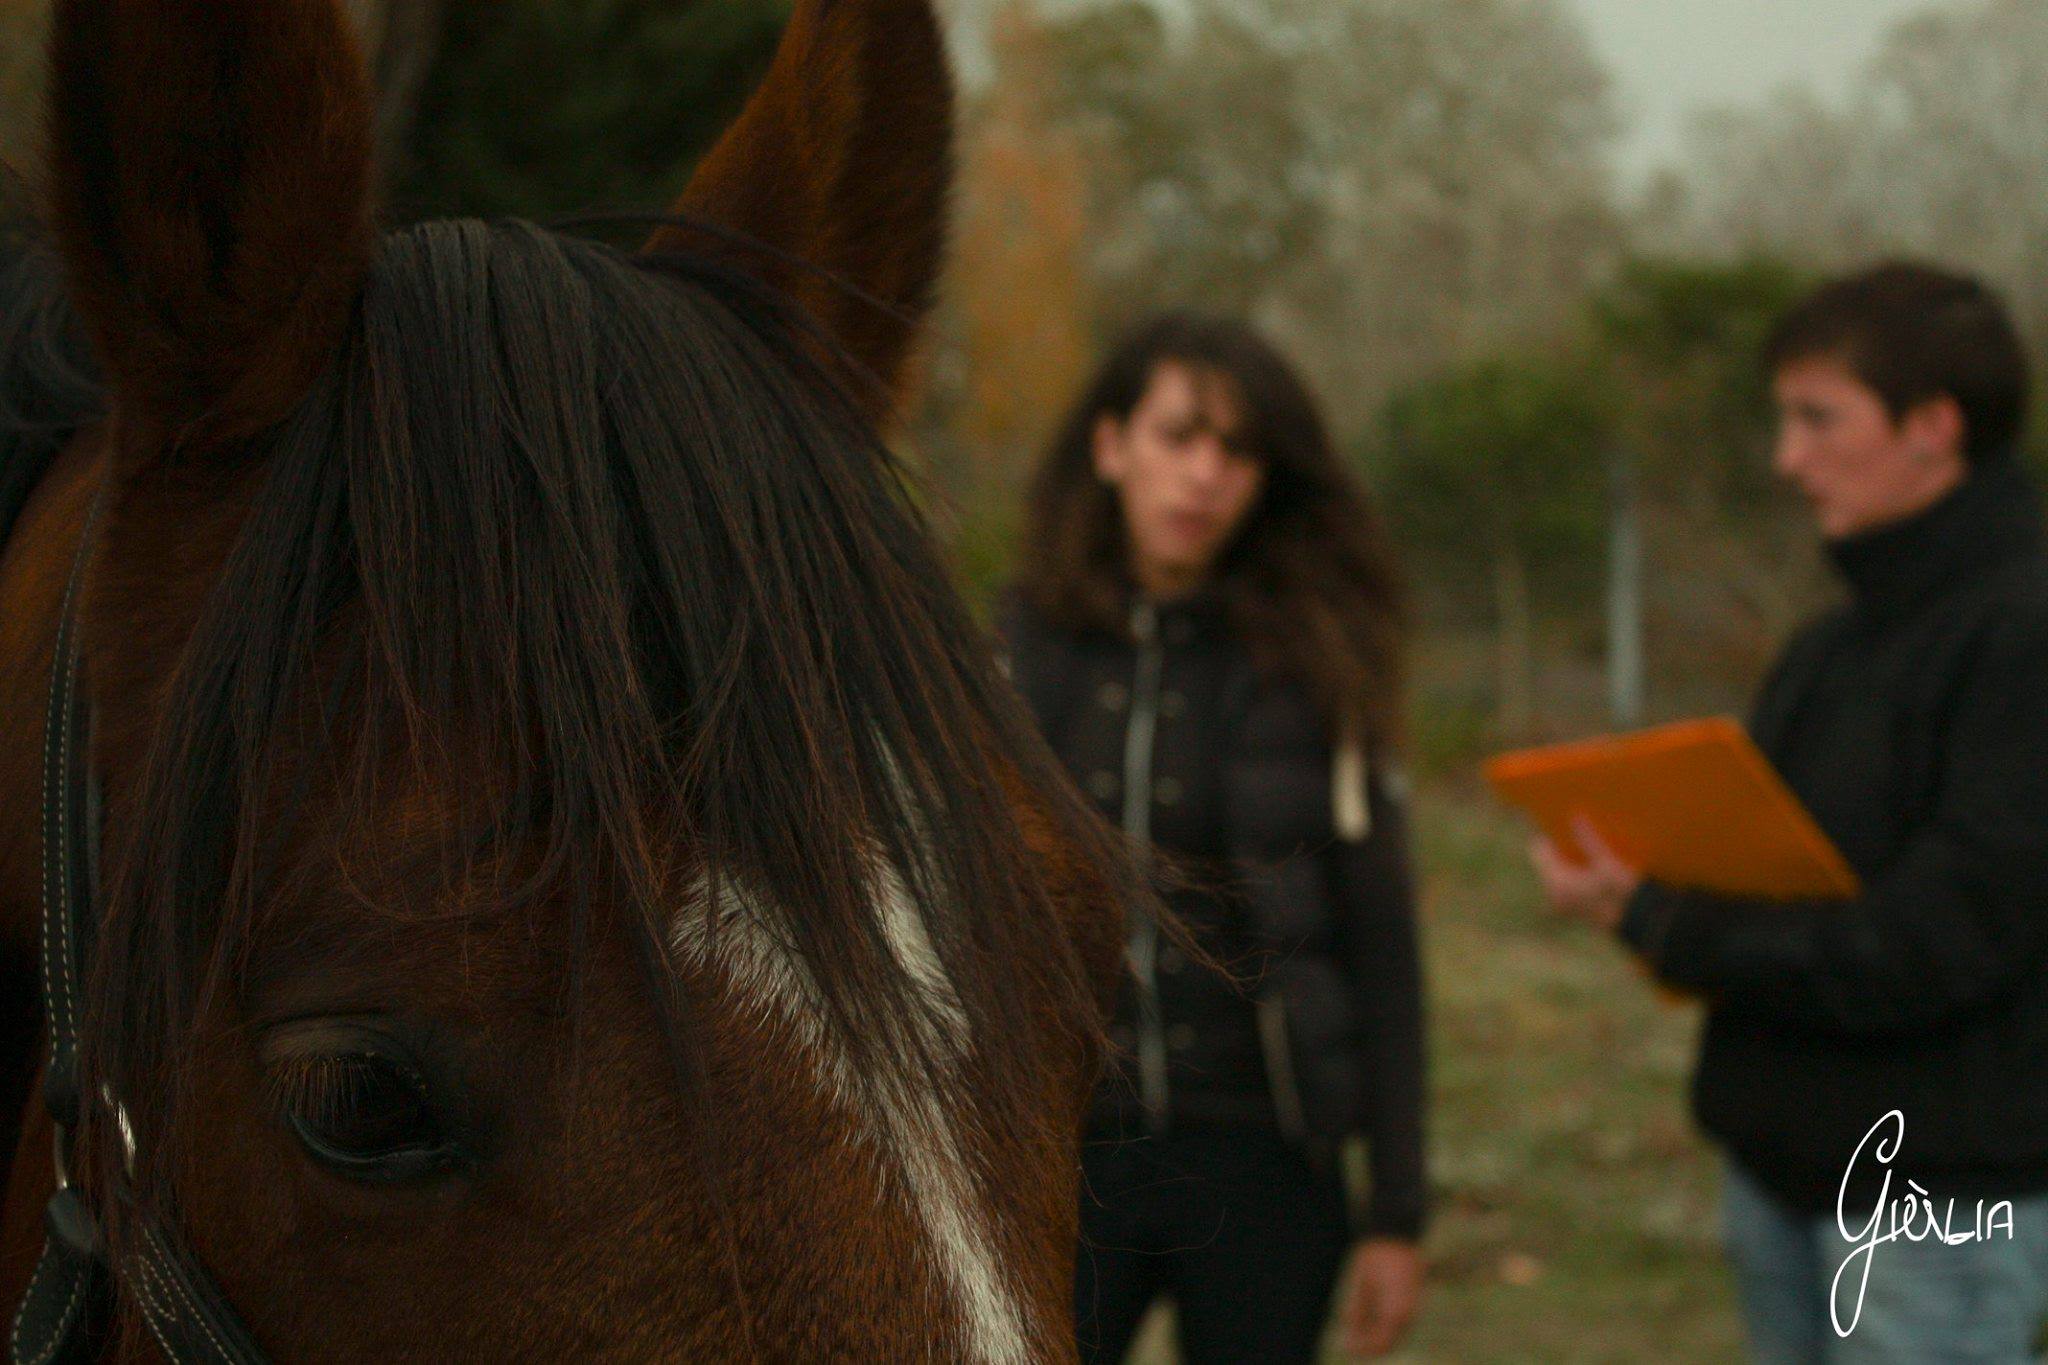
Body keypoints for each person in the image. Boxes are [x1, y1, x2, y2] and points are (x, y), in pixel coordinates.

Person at [1535, 262, 2048, 1363]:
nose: (1785, 460)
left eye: (1817, 420)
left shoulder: (2021, 638)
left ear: (1933, 427)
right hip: (1775, 1163)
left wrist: (1661, 919)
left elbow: (1937, 940)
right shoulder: (1829, 644)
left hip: (1933, 1196)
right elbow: (1763, 868)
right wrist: (1639, 876)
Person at [1000, 313, 1428, 1363]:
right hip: (1064, 1155)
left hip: (1264, 1160)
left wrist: (1397, 1213)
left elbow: (1381, 950)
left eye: (1236, 452)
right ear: (1109, 447)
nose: (1203, 474)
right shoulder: (1015, 654)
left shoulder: (1312, 666)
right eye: (1178, 435)